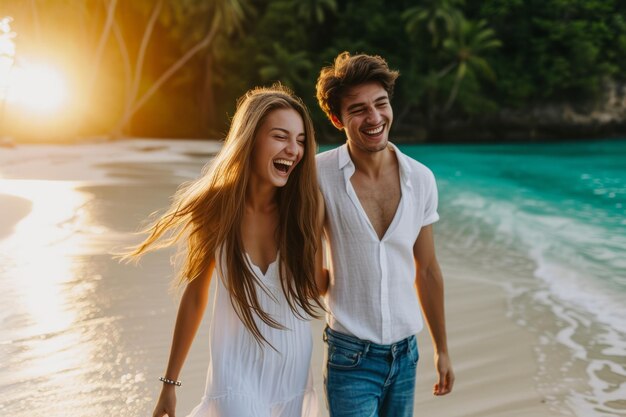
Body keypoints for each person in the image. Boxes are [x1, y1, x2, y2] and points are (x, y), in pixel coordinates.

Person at [124, 84, 326, 417]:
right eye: (280, 136)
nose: (293, 150)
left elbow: (315, 287)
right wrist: (169, 384)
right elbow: (195, 295)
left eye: (301, 140)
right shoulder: (216, 207)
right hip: (235, 370)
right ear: (251, 139)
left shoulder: (305, 207)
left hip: (292, 369)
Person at [315, 52, 455, 417]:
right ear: (336, 119)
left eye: (381, 104)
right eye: (358, 109)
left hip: (406, 356)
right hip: (350, 357)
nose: (374, 118)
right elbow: (312, 278)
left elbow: (426, 270)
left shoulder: (421, 178)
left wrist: (442, 349)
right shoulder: (317, 176)